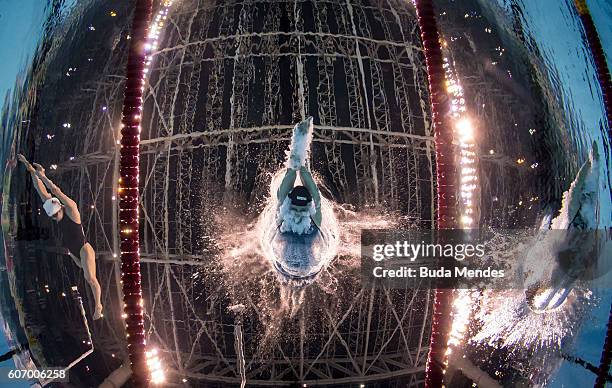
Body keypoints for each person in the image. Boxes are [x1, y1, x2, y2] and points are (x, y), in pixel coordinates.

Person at [17, 154, 103, 320]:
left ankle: (98, 305)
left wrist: (43, 175)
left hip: (84, 249)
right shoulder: (53, 207)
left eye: (56, 215)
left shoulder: (71, 209)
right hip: (74, 253)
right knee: (84, 273)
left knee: (90, 278)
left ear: (60, 208)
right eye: (53, 217)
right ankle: (94, 298)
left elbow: (55, 190)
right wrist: (29, 167)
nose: (55, 218)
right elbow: (39, 188)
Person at [272, 117, 325, 276]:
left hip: (291, 267)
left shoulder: (284, 216)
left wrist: (298, 146)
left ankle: (298, 155)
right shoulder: (314, 218)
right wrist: (300, 155)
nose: (297, 212)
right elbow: (313, 191)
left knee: (279, 202)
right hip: (304, 268)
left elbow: (294, 175)